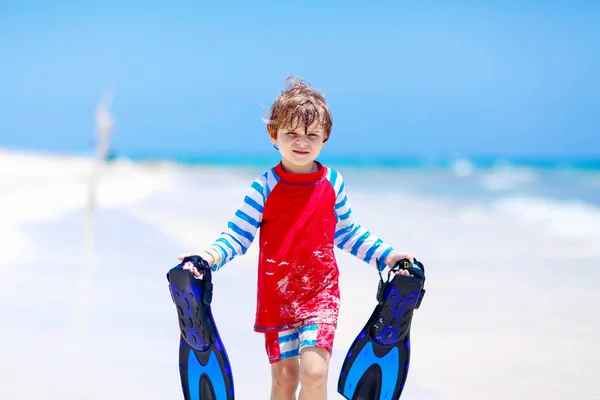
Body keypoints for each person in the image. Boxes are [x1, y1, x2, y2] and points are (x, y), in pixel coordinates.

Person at [178, 76, 415, 400]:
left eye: (311, 135)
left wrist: (386, 255)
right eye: (291, 133)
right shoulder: (265, 187)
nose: (301, 142)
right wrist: (207, 258)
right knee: (286, 380)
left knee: (315, 374)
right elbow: (237, 234)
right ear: (273, 134)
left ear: (325, 138)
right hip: (279, 298)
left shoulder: (332, 183)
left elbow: (345, 231)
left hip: (321, 294)